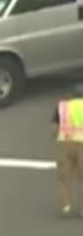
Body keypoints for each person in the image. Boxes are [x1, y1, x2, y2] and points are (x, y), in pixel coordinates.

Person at [51, 84, 83, 216]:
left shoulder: (62, 107)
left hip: (65, 143)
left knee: (63, 178)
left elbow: (53, 128)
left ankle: (65, 206)